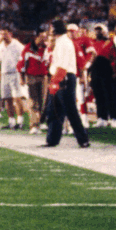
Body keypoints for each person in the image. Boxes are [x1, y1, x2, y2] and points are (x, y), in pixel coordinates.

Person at [45, 19, 90, 148]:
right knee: (53, 110)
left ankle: (83, 139)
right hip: (61, 77)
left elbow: (63, 65)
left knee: (70, 110)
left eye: (51, 28)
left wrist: (55, 81)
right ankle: (52, 139)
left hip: (63, 78)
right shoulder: (61, 42)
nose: (49, 31)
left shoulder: (64, 43)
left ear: (55, 29)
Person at [0, 24, 25, 130]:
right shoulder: (0, 47)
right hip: (4, 74)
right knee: (7, 99)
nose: (3, 36)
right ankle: (11, 121)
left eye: (5, 34)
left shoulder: (17, 45)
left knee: (17, 98)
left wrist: (22, 75)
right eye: (1, 34)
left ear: (10, 34)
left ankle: (20, 121)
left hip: (15, 73)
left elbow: (23, 59)